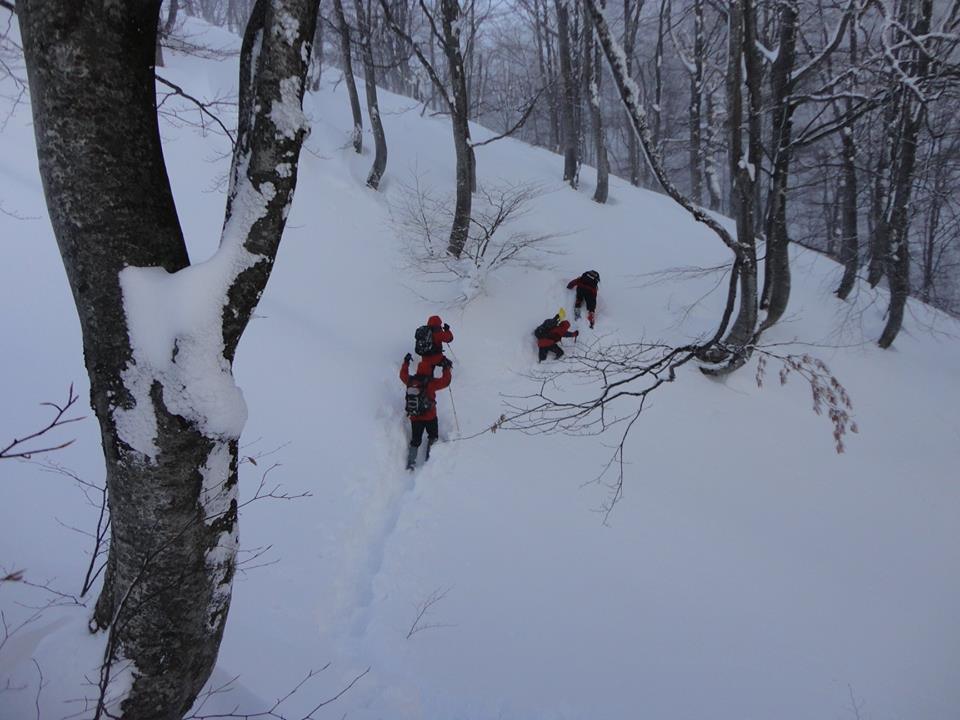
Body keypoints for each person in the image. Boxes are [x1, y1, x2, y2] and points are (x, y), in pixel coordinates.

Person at [400, 353, 453, 470]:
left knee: (415, 441)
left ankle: (411, 464)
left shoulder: (410, 380)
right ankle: (430, 460)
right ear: (430, 370)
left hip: (415, 417)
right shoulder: (431, 383)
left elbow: (402, 375)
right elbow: (446, 381)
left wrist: (406, 362)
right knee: (433, 436)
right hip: (430, 417)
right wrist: (446, 368)